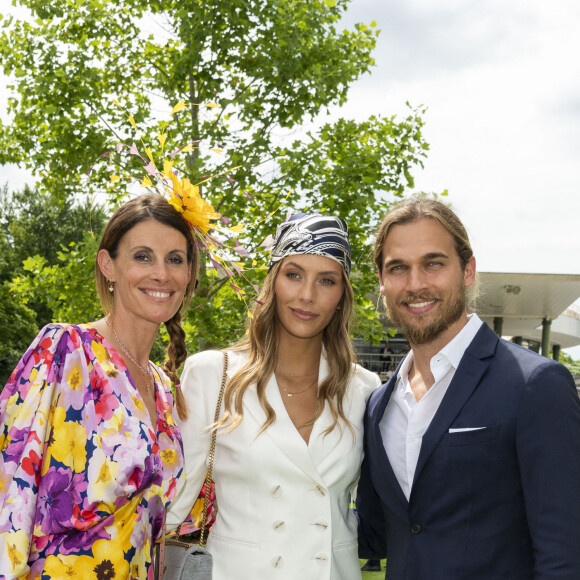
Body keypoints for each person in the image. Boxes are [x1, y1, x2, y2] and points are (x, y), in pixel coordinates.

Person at [356, 197, 580, 579]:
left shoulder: (535, 385)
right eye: (398, 268)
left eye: (434, 263)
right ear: (382, 281)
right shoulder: (379, 403)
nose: (415, 283)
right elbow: (374, 535)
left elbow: (563, 552)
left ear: (468, 270)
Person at [168, 213, 381, 580]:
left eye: (326, 280)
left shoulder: (364, 389)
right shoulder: (212, 374)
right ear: (273, 282)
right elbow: (172, 503)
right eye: (294, 274)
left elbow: (381, 510)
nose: (307, 295)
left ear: (341, 295)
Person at [0, 193, 199, 578]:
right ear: (108, 265)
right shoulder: (65, 350)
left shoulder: (163, 386)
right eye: (143, 256)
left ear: (189, 272)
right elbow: (10, 487)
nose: (161, 273)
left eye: (175, 259)